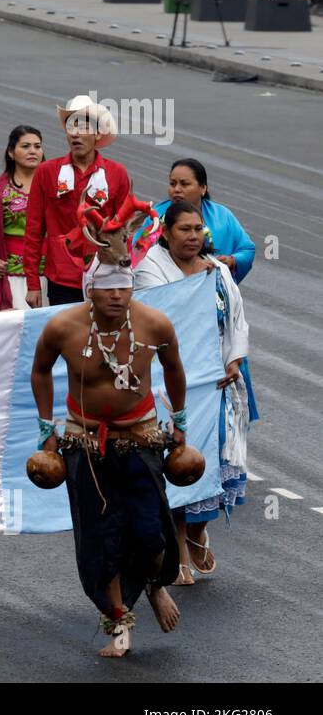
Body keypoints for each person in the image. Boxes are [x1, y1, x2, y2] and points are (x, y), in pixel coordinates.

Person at [31, 256, 185, 657]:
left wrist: (180, 422)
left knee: (151, 534)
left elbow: (174, 368)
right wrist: (47, 431)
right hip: (84, 442)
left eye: (123, 287)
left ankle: (153, 584)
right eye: (107, 288)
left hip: (140, 438)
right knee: (102, 540)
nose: (116, 295)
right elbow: (41, 370)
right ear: (89, 290)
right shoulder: (63, 327)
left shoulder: (155, 324)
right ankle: (119, 623)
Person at [135, 200, 251, 586]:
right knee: (174, 465)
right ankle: (178, 553)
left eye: (198, 229)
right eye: (184, 229)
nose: (193, 236)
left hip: (214, 385)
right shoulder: (150, 269)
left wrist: (234, 359)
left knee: (208, 466)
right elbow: (157, 320)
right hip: (170, 384)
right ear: (166, 233)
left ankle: (197, 533)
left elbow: (236, 320)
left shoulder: (217, 270)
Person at [24, 96, 131, 307]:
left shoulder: (117, 173)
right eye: (71, 126)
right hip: (61, 277)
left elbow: (124, 231)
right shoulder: (47, 172)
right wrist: (33, 284)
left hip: (105, 275)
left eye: (83, 126)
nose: (75, 133)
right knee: (67, 328)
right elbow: (33, 230)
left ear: (98, 133)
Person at [0, 124, 47, 312]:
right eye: (25, 146)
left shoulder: (53, 188)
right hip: (9, 275)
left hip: (48, 275)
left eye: (37, 146)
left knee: (50, 327)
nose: (33, 151)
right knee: (12, 327)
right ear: (11, 152)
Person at [154, 158, 255, 283]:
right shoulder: (155, 217)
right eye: (172, 184)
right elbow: (138, 253)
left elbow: (247, 249)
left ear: (203, 188)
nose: (177, 189)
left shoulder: (222, 216)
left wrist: (233, 260)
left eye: (184, 184)